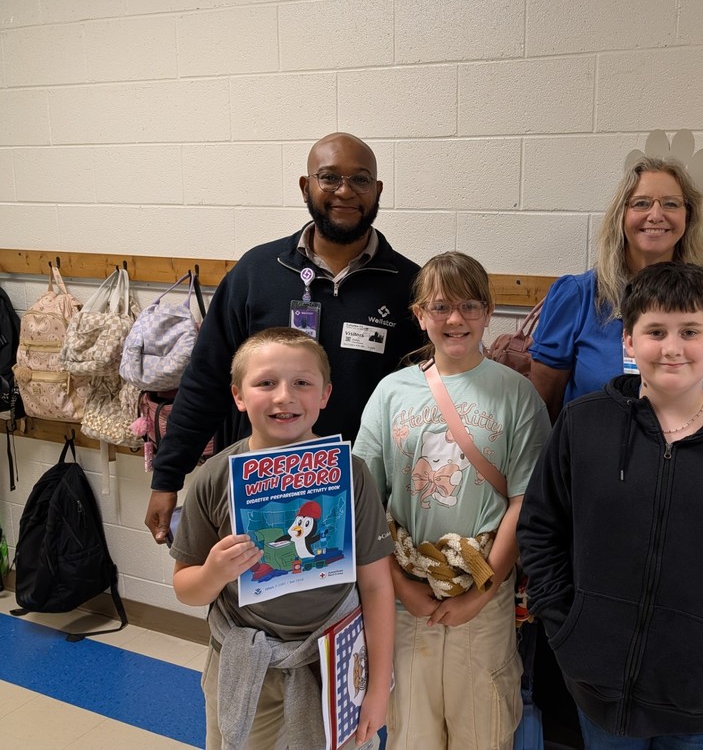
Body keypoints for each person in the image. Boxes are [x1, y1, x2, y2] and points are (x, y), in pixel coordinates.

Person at [518, 261, 703, 750]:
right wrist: (570, 632)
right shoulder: (583, 426)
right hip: (600, 688)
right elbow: (542, 527)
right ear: (628, 343)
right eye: (655, 331)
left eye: (690, 331)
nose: (672, 347)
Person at [146, 132, 422, 543]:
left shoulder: (409, 287)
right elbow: (206, 379)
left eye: (360, 180)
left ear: (377, 190)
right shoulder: (256, 273)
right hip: (259, 492)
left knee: (350, 604)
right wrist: (168, 477)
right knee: (254, 593)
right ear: (305, 186)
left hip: (360, 496)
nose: (344, 191)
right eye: (329, 177)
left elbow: (422, 405)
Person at [354, 252, 551, 750]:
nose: (455, 319)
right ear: (419, 315)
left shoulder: (517, 396)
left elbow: (524, 504)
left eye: (468, 305)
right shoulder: (390, 393)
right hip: (405, 595)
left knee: (482, 729)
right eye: (440, 307)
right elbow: (365, 503)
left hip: (483, 594)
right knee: (409, 730)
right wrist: (398, 584)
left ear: (487, 312)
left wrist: (481, 594)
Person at [170, 327, 395, 750]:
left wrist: (379, 688)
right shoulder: (214, 479)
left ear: (325, 394)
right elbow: (186, 589)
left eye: (302, 383)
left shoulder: (352, 474)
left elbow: (378, 585)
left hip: (336, 659)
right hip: (245, 663)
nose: (284, 397)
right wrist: (215, 572)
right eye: (266, 383)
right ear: (238, 395)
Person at [529, 155, 703, 425]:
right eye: (641, 203)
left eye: (671, 204)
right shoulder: (577, 297)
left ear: (688, 215)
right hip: (594, 460)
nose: (656, 215)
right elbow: (545, 410)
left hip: (694, 461)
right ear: (621, 215)